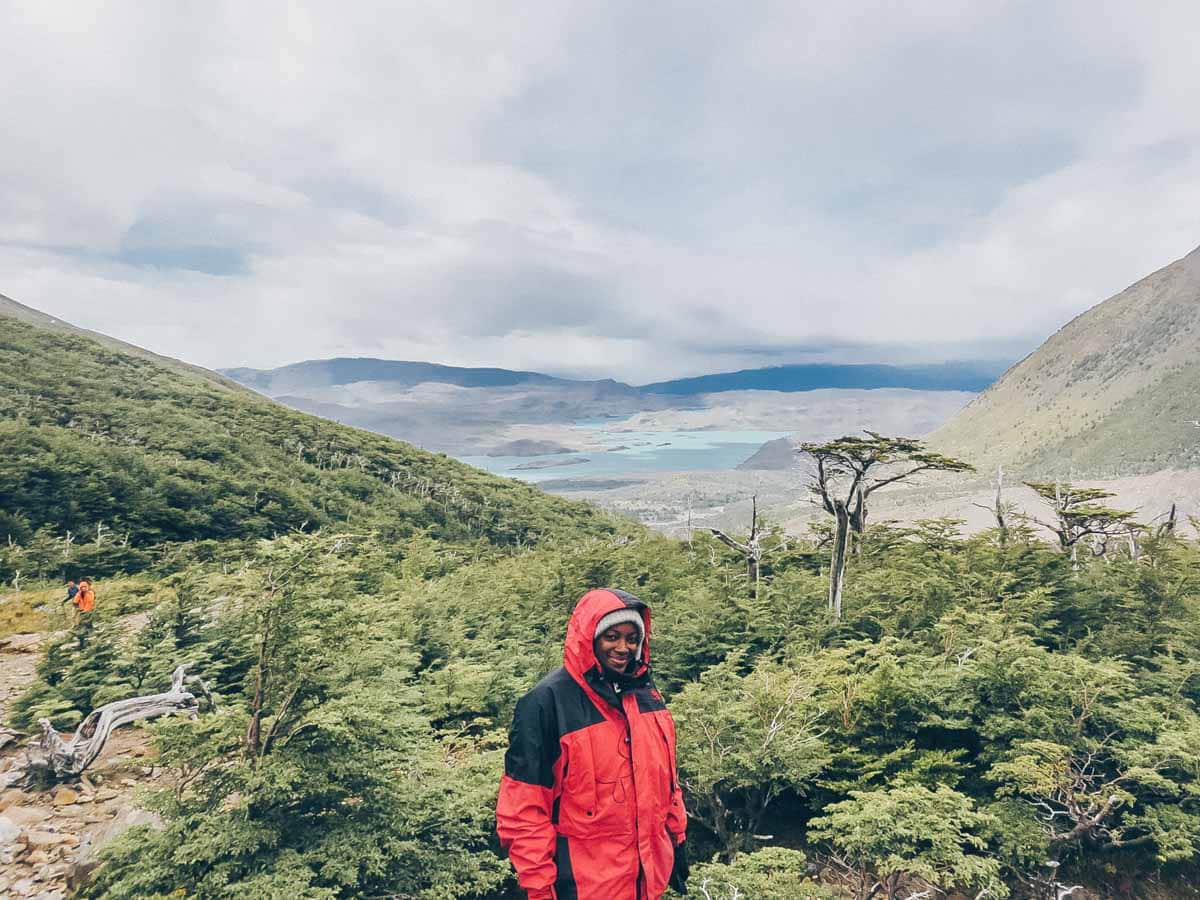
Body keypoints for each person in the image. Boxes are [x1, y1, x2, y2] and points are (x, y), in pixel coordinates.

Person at [497, 588, 688, 899]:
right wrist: (539, 890)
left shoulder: (646, 695)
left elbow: (668, 783)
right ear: (590, 636)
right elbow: (524, 811)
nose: (623, 647)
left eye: (632, 638)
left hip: (646, 884)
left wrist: (678, 840)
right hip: (581, 888)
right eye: (611, 636)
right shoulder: (546, 703)